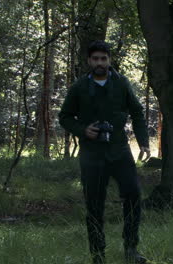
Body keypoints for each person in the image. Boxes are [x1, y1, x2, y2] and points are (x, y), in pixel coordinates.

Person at [59, 40, 149, 264]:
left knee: (133, 195)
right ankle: (98, 255)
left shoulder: (121, 83)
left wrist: (144, 143)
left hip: (119, 150)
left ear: (109, 60)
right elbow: (65, 117)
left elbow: (137, 112)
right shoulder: (80, 87)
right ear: (89, 61)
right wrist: (83, 130)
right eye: (96, 59)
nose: (100, 63)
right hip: (91, 154)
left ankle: (131, 249)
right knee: (94, 204)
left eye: (104, 58)